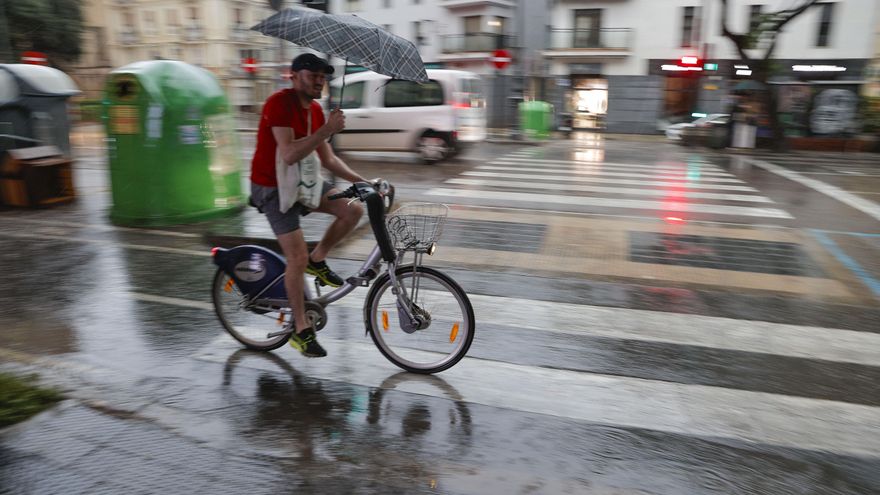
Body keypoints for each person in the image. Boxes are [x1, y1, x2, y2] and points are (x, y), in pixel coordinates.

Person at [250, 53, 370, 358]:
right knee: (296, 257)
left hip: (303, 182)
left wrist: (364, 181)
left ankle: (320, 258)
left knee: (353, 208)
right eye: (312, 74)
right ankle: (300, 330)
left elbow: (328, 159)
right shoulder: (279, 104)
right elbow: (289, 154)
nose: (320, 80)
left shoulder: (316, 111)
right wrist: (327, 130)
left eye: (323, 76)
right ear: (293, 76)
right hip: (273, 188)